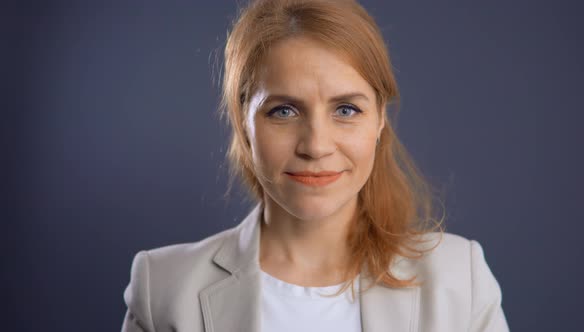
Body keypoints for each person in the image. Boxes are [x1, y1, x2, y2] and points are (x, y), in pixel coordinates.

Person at [121, 0, 510, 331]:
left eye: (346, 109)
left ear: (379, 120)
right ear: (243, 123)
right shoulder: (165, 289)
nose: (316, 146)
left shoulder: (461, 281)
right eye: (284, 111)